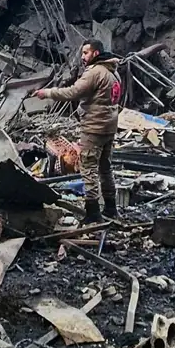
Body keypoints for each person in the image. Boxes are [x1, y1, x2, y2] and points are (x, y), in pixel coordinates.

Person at [34, 39, 122, 221]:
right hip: (109, 127)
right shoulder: (114, 73)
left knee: (88, 167)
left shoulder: (95, 73)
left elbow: (73, 92)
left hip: (94, 127)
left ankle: (93, 213)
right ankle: (111, 209)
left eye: (86, 53)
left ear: (96, 53)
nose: (82, 57)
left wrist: (48, 93)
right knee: (105, 168)